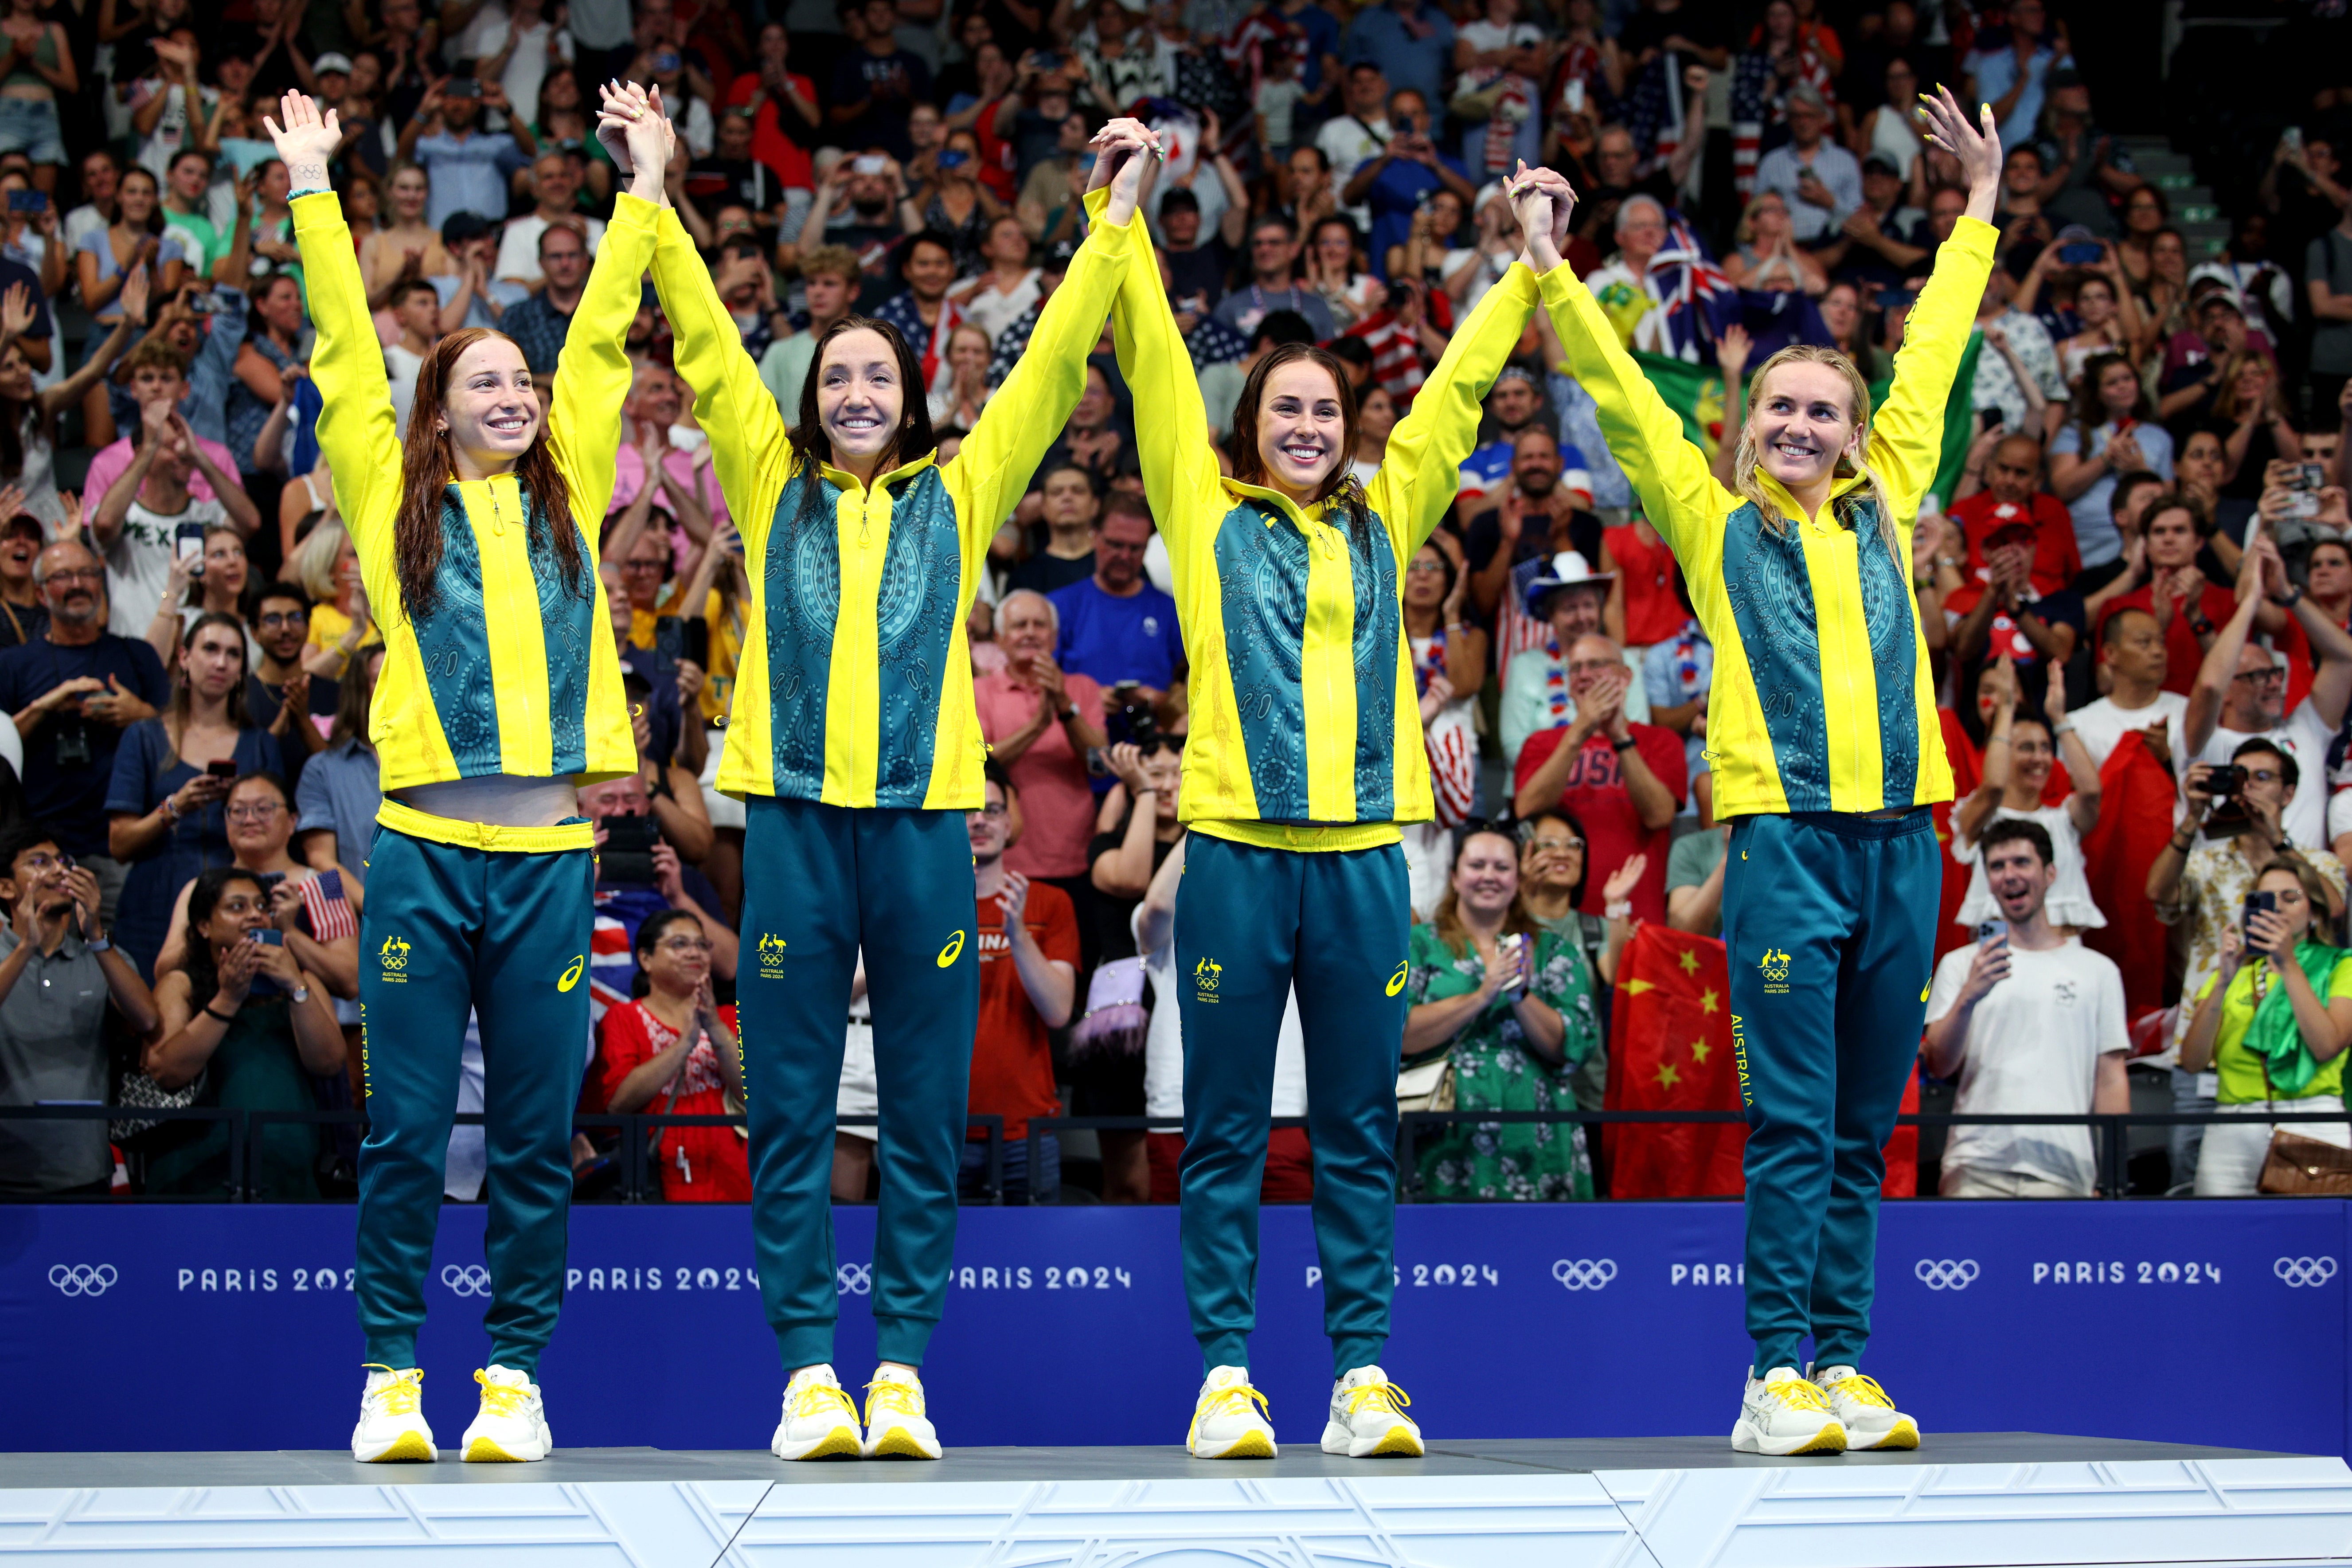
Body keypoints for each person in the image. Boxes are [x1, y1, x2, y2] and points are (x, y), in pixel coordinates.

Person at [645, 90, 1153, 1464]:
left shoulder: (959, 489)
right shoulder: (766, 475)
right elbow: (700, 337)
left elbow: (1049, 369)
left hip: (928, 834)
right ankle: (810, 1371)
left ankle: (904, 1372)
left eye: (879, 377)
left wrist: (1109, 226)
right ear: (808, 399)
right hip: (800, 828)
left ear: (913, 395)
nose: (858, 395)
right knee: (796, 1102)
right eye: (836, 379)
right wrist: (654, 192)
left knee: (925, 1106)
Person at [1532, 88, 2004, 1455]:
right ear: (1747, 422)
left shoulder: (1890, 492)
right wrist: (1556, 271)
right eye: (1779, 406)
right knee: (1793, 1124)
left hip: (1902, 844)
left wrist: (1973, 209)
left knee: (1868, 1124)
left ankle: (1845, 1363)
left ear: (1852, 431)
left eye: (1820, 409)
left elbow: (1931, 351)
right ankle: (1768, 1376)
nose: (1799, 425)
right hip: (1786, 849)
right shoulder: (1708, 515)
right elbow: (1623, 402)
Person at [1106, 122, 1547, 1459]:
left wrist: (1524, 269)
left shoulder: (1385, 506)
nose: (1304, 426)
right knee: (1229, 1128)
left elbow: (1460, 387)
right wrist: (1121, 219)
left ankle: (1361, 1376)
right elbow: (1152, 371)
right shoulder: (1206, 508)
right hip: (1236, 858)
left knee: (1360, 1124)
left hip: (1362, 863)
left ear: (1347, 427)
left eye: (1322, 410)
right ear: (1251, 427)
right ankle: (1227, 1377)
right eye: (1281, 409)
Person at [274, 83, 662, 1466]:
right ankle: (390, 1375)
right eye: (482, 380)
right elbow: (335, 347)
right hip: (425, 859)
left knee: (534, 1141)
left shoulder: (574, 490)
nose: (515, 392)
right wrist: (316, 184)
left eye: (525, 381)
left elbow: (607, 331)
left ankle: (511, 1378)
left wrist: (644, 186)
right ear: (435, 412)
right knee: (406, 1131)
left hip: (551, 864)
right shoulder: (389, 503)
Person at [1402, 823, 1621, 1201]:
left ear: (1518, 879)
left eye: (1502, 868)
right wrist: (1483, 994)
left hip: (1538, 1138)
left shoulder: (1555, 952)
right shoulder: (1418, 945)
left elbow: (1571, 1048)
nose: (1489, 875)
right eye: (1477, 865)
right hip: (1442, 1140)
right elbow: (1398, 1035)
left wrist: (1520, 995)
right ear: (1455, 876)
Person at [1923, 817, 2129, 1198]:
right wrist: (1969, 996)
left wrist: (2110, 1174)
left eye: (2021, 862)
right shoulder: (1960, 963)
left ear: (2050, 873)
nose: (2009, 875)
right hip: (1975, 1163)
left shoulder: (2098, 971)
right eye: (1997, 867)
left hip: (2066, 1165)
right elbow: (1940, 1064)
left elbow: (2111, 1077)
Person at [139, 864, 345, 1199]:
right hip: (197, 1176)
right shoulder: (180, 984)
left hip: (286, 1171)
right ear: (204, 925)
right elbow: (167, 1070)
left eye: (262, 906)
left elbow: (329, 1062)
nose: (255, 916)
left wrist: (295, 984)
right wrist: (228, 998)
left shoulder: (303, 982)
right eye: (237, 907)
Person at [103, 610, 283, 979]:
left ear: (241, 671)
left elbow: (282, 838)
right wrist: (175, 807)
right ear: (184, 658)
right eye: (210, 649)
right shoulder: (144, 737)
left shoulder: (260, 744)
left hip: (237, 908)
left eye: (234, 654)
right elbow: (119, 844)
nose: (221, 662)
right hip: (155, 899)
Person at [0, 540, 172, 917]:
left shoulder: (136, 655)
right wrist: (44, 707)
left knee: (117, 959)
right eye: (63, 576)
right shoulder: (12, 664)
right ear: (41, 593)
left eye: (88, 574)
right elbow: (1, 751)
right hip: (38, 851)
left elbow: (184, 737)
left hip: (121, 846)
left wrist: (139, 714)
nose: (78, 583)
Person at [0, 823, 160, 1195]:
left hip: (84, 1174)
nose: (59, 870)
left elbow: (147, 1019)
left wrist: (97, 937)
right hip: (5, 1173)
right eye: (39, 862)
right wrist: (26, 948)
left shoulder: (103, 956)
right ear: (5, 887)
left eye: (63, 861)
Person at [2182, 856, 2352, 1196]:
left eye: (2290, 898)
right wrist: (2223, 981)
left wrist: (2288, 964)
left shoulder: (2340, 966)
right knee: (2221, 1237)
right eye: (2266, 899)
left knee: (2313, 1240)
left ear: (2315, 912)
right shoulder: (2235, 974)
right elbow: (2193, 1061)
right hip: (2233, 1122)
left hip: (2312, 1117)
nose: (2277, 909)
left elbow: (2327, 1045)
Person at [2177, 538, 2352, 853]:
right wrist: (2250, 604)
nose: (2273, 684)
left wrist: (2290, 596)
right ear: (2229, 691)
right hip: (2227, 897)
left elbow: (2345, 658)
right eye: (2258, 676)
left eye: (2275, 674)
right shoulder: (2201, 743)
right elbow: (2210, 686)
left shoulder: (2306, 731)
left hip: (2301, 894)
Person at [962, 763, 1077, 1203]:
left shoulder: (1049, 903)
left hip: (1026, 1129)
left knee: (1033, 1258)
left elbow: (1058, 1010)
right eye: (969, 811)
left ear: (1008, 824)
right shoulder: (925, 908)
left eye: (991, 810)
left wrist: (1017, 934)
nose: (979, 821)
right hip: (941, 1127)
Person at [1510, 632, 1684, 920]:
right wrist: (1580, 730)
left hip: (1636, 916)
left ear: (1626, 676)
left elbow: (1659, 815)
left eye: (1596, 664)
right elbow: (1527, 808)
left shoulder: (1661, 741)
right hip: (1558, 920)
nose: (1584, 675)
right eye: (1575, 668)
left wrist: (1619, 736)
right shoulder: (1542, 743)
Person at [594, 907, 748, 1200]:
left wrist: (714, 1027)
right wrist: (684, 1044)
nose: (695, 953)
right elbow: (618, 1103)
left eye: (702, 945)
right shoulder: (624, 1017)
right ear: (646, 959)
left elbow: (754, 1098)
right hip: (654, 1182)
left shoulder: (731, 1018)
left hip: (733, 1177)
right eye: (680, 944)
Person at [1951, 659, 2102, 934]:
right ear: (2004, 752)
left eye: (2045, 748)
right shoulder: (1981, 817)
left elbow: (2092, 792)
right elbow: (1995, 786)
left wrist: (2059, 719)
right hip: (1997, 959)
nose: (2040, 758)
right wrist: (2007, 708)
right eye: (2027, 748)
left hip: (2062, 959)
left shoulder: (2064, 821)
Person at [1049, 501, 1182, 701]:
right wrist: (1087, 699)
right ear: (1094, 536)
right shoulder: (1058, 607)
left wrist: (1161, 702)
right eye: (1116, 545)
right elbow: (1038, 680)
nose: (1125, 556)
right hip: (1079, 726)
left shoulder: (1171, 612)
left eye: (1136, 548)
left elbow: (1186, 683)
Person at [2068, 607, 2184, 770]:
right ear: (2111, 654)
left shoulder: (2189, 713)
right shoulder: (2078, 726)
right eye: (2144, 642)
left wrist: (2167, 759)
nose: (2158, 652)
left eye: (2161, 642)